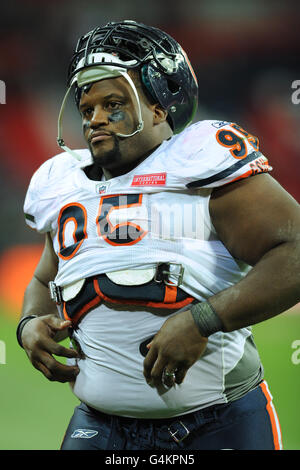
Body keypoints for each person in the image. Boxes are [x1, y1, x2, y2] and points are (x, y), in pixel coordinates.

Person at [18, 20, 300, 451]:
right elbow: (43, 278)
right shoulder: (65, 182)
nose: (95, 118)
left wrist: (204, 320)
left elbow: (295, 250)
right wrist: (29, 325)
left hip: (217, 421)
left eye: (113, 103)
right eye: (87, 106)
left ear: (159, 107)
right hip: (100, 427)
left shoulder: (199, 164)